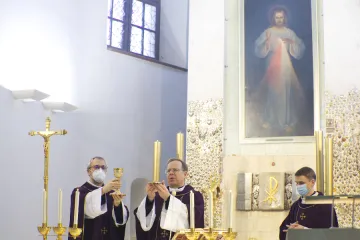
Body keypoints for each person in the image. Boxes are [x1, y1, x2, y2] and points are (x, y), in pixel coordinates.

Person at [254, 6, 306, 136]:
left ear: (284, 18)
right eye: (277, 17)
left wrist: (291, 42)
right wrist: (266, 42)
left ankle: (286, 122)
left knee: (285, 93)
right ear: (273, 18)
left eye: (281, 17)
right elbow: (257, 46)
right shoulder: (268, 31)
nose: (279, 20)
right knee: (273, 92)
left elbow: (300, 46)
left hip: (285, 65)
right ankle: (270, 119)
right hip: (272, 64)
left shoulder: (289, 32)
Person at [134, 158, 205, 240]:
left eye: (175, 170)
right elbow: (141, 217)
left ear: (185, 174)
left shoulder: (194, 195)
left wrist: (168, 199)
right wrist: (150, 199)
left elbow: (196, 217)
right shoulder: (157, 195)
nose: (171, 173)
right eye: (168, 171)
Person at [68, 156, 129, 240]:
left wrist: (117, 205)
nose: (100, 170)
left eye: (103, 167)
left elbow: (120, 221)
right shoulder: (79, 192)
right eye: (96, 167)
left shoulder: (111, 193)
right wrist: (103, 190)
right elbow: (88, 210)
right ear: (89, 171)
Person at [279, 167, 338, 240]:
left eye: (301, 183)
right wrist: (290, 230)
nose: (298, 186)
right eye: (296, 183)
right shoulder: (296, 205)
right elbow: (284, 228)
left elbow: (331, 233)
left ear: (312, 182)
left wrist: (305, 230)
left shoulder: (325, 205)